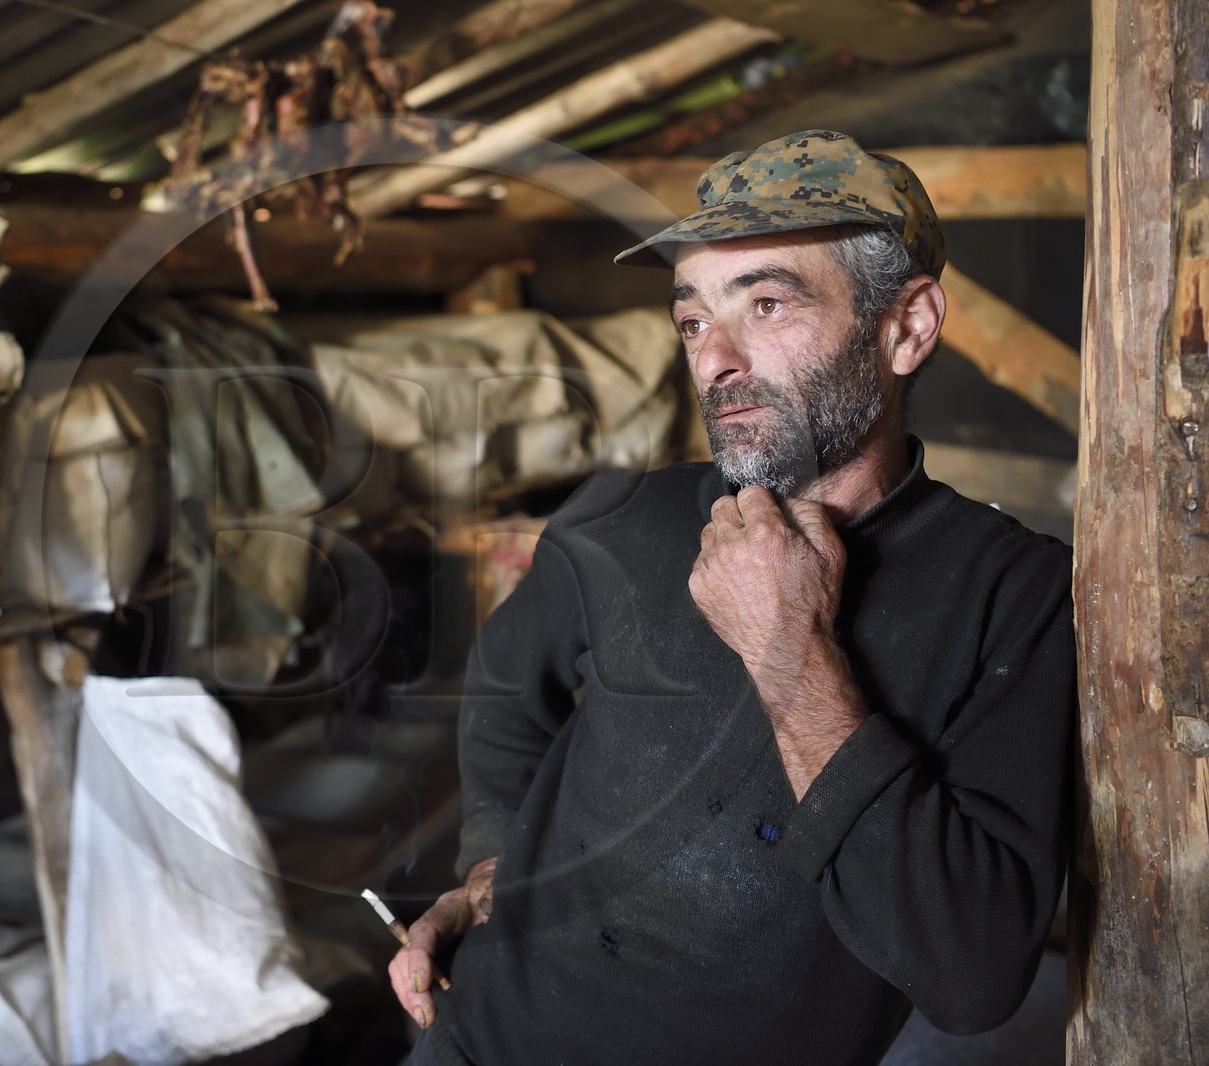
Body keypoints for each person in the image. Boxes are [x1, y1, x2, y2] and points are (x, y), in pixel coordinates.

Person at [386, 129, 1075, 1066]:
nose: (715, 361)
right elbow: (508, 689)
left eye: (767, 302)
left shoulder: (1017, 595)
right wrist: (490, 860)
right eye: (694, 319)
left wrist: (790, 649)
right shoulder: (620, 519)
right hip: (474, 1042)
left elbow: (971, 975)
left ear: (906, 327)